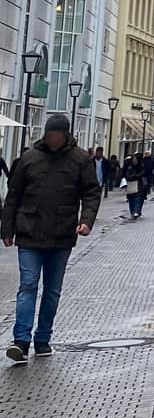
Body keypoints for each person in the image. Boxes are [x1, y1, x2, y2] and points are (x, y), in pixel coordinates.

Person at [3, 111, 102, 361]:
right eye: (49, 135)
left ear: (66, 136)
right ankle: (21, 340)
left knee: (52, 290)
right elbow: (13, 195)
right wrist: (6, 229)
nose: (53, 140)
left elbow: (91, 192)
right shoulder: (29, 158)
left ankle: (43, 338)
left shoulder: (80, 160)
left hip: (61, 234)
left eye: (57, 136)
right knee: (28, 284)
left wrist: (86, 221)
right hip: (29, 232)